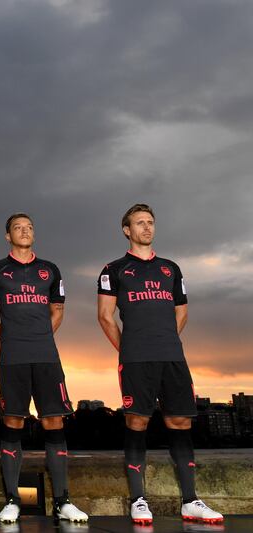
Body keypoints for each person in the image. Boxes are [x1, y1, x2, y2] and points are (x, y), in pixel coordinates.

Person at [97, 204, 223, 525]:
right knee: (137, 422)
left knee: (180, 422)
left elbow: (182, 312)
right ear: (127, 230)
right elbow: (105, 316)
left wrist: (166, 338)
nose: (147, 228)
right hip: (136, 359)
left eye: (150, 222)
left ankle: (190, 500)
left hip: (172, 356)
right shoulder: (114, 269)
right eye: (140, 223)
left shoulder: (170, 268)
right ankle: (138, 499)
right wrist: (128, 347)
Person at [0, 213, 88, 524]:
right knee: (13, 421)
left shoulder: (50, 270)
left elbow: (58, 311)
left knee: (53, 421)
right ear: (7, 235)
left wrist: (38, 337)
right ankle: (12, 499)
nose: (24, 231)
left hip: (46, 356)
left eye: (29, 227)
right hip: (12, 357)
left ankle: (63, 501)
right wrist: (14, 338)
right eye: (18, 227)